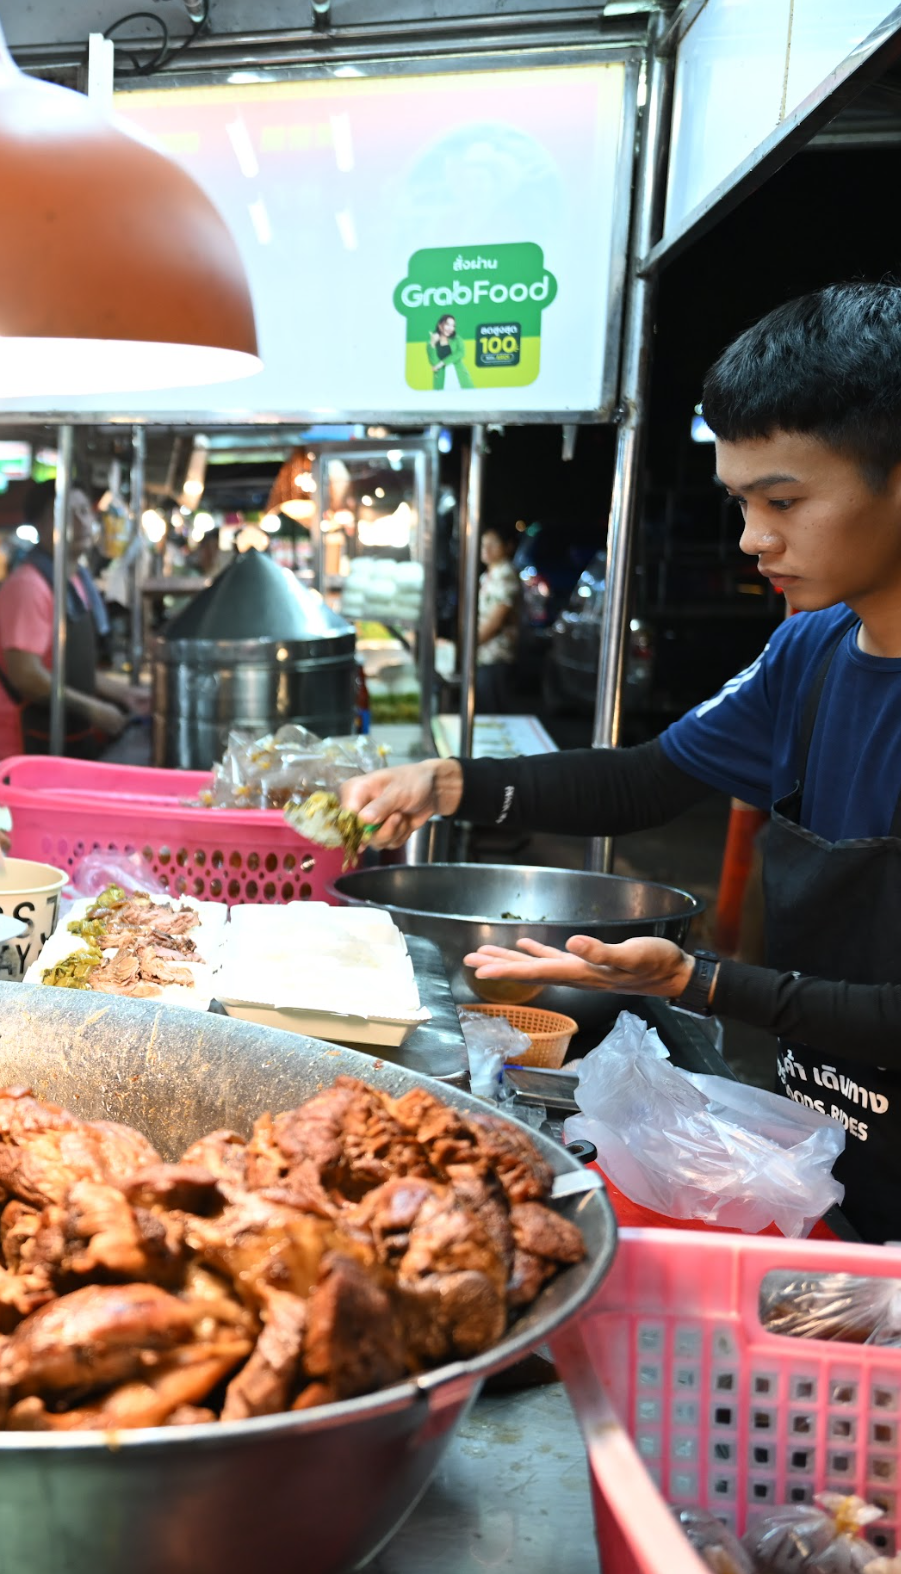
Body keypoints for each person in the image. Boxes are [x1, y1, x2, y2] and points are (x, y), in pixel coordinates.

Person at [342, 283, 901, 1240]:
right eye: (740, 501)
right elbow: (648, 779)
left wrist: (696, 982)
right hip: (829, 1158)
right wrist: (449, 783)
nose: (752, 539)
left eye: (783, 500)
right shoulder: (807, 655)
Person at [0, 482, 146, 770]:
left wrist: (123, 694)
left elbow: (73, 669)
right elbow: (27, 676)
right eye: (66, 513)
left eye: (84, 511)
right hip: (17, 750)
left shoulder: (76, 582)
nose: (81, 521)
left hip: (60, 741)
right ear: (41, 525)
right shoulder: (28, 587)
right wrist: (93, 708)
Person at [471, 524, 519, 716]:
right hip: (484, 656)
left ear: (508, 547)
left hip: (496, 656)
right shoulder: (489, 575)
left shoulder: (505, 574)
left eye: (493, 544)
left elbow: (496, 621)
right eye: (484, 544)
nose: (486, 550)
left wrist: (468, 646)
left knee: (494, 715)